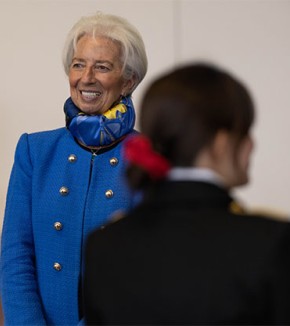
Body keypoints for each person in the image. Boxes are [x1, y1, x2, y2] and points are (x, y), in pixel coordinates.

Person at [84, 63, 290, 325]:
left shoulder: (104, 246)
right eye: (245, 131)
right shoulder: (271, 243)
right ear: (221, 143)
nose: (252, 145)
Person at [0, 11, 147, 325]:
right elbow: (16, 258)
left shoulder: (148, 157)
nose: (87, 77)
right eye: (79, 64)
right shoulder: (34, 151)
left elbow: (149, 268)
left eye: (103, 66)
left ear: (128, 80)